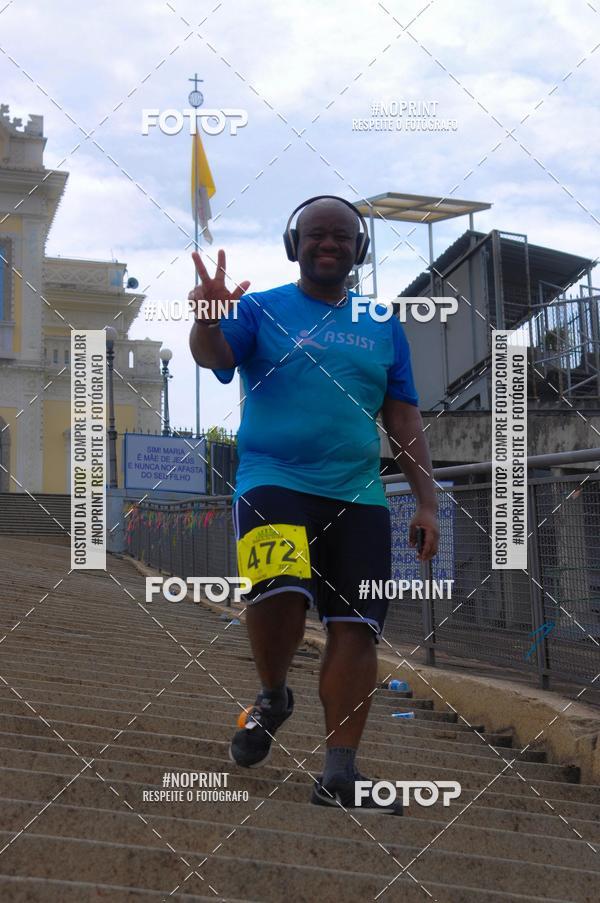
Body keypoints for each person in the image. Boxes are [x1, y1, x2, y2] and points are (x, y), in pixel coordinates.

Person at [188, 195, 439, 815]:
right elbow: (214, 355)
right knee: (279, 592)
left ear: (361, 250)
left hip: (359, 493)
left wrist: (427, 502)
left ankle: (341, 774)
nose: (329, 245)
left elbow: (402, 415)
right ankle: (273, 694)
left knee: (358, 628)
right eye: (317, 236)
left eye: (343, 237)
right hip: (274, 478)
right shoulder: (259, 308)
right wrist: (205, 317)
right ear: (293, 244)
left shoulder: (381, 320)